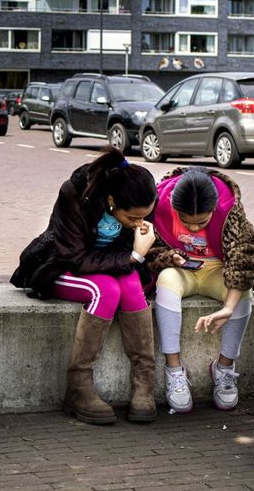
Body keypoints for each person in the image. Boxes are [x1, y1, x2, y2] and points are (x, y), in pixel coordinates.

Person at [11, 149, 158, 425]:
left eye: (145, 217)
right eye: (132, 219)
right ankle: (78, 388)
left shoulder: (143, 196)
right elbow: (74, 258)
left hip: (112, 265)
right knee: (106, 291)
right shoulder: (76, 195)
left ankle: (144, 384)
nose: (140, 224)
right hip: (60, 266)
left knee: (131, 285)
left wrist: (139, 253)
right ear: (112, 201)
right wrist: (134, 256)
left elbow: (139, 246)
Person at [145, 167, 254, 413]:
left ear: (214, 209)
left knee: (243, 292)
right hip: (182, 270)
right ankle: (174, 370)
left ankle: (224, 368)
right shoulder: (159, 206)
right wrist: (171, 256)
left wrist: (228, 308)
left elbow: (242, 260)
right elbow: (151, 251)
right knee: (166, 281)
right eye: (185, 221)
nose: (192, 228)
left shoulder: (229, 209)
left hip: (217, 270)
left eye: (201, 222)